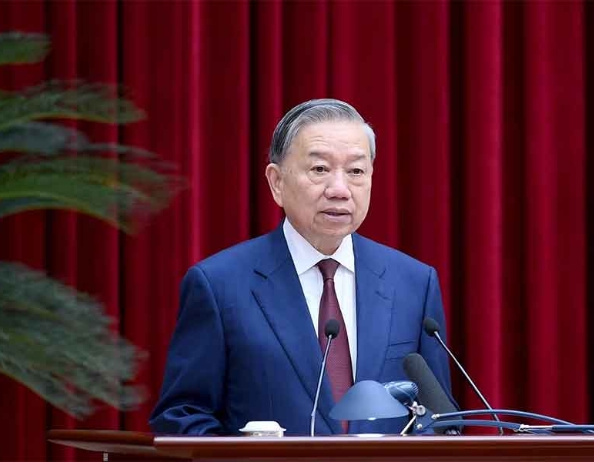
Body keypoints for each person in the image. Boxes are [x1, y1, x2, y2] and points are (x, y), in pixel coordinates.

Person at [149, 99, 454, 436]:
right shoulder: (219, 285)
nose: (339, 190)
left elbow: (439, 420)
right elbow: (183, 416)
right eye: (319, 169)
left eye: (356, 171)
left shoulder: (413, 283)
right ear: (277, 182)